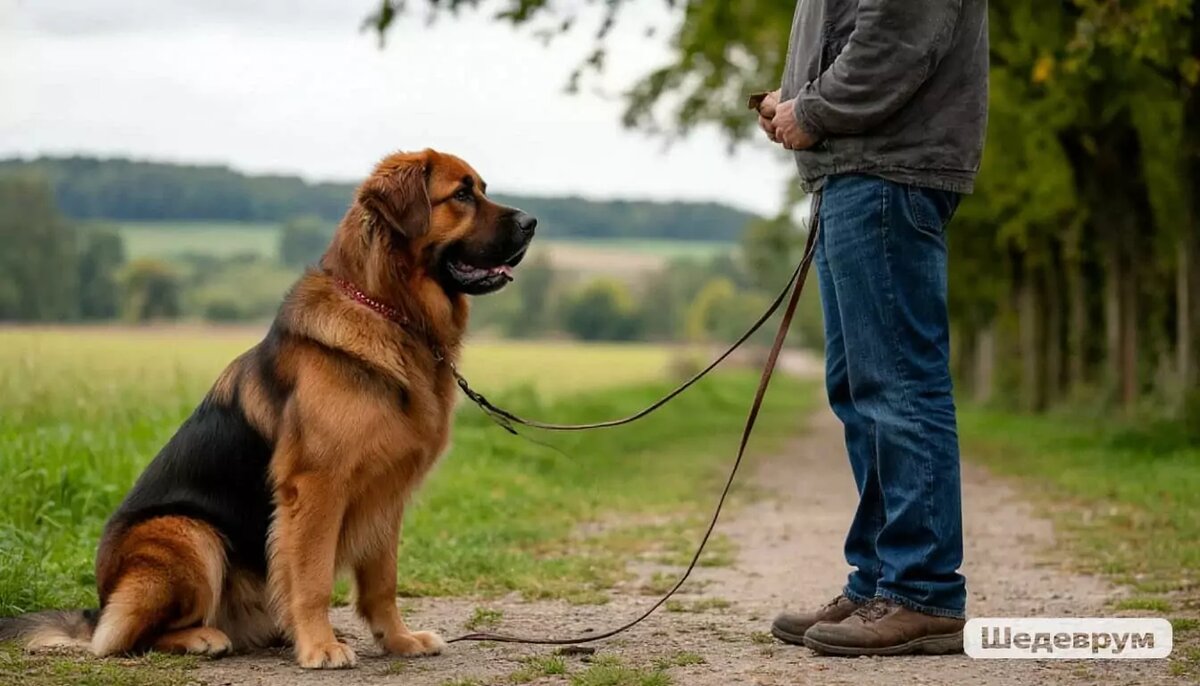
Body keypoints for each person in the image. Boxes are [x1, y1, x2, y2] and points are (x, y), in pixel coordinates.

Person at [753, 0, 989, 656]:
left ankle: (923, 591)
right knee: (860, 387)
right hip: (856, 172)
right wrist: (796, 98)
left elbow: (898, 35)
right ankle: (882, 580)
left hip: (886, 170)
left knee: (898, 385)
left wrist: (816, 109)